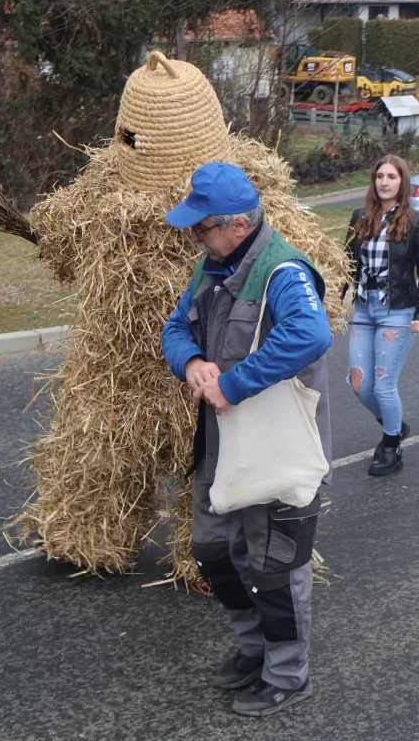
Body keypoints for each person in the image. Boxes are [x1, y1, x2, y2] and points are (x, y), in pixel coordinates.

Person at [160, 162, 332, 717]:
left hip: (277, 449)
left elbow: (310, 334)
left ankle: (286, 670)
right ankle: (253, 646)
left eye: (201, 227)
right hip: (222, 443)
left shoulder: (283, 271)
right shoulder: (211, 265)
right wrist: (191, 365)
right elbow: (174, 328)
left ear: (237, 224)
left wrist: (233, 383)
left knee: (273, 563)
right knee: (213, 549)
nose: (195, 238)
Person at [344, 154, 419, 476]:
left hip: (396, 310)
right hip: (363, 307)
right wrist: (330, 303)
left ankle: (391, 444)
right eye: (380, 176)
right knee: (358, 384)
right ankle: (394, 424)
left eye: (392, 177)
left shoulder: (416, 221)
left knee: (383, 386)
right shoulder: (359, 217)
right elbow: (347, 266)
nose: (384, 182)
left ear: (402, 182)